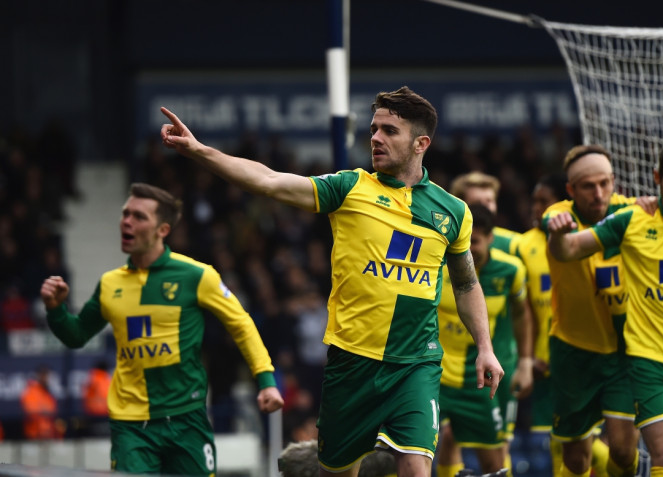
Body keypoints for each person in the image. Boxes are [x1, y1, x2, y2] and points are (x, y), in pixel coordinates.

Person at [160, 85, 504, 477]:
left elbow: (465, 284)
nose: (375, 137)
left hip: (416, 363)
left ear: (420, 143)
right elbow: (269, 180)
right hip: (351, 362)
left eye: (389, 131)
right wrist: (200, 150)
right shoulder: (349, 188)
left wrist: (485, 347)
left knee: (415, 467)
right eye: (374, 129)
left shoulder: (453, 211)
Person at [39, 183, 284, 475]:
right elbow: (77, 335)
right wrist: (55, 310)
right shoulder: (109, 284)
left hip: (187, 419)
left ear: (163, 230)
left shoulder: (196, 276)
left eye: (139, 217)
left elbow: (241, 324)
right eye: (125, 214)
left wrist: (266, 380)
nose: (127, 222)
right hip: (132, 426)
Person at [547, 139, 663, 477]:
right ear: (656, 179)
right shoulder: (630, 219)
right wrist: (558, 236)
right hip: (645, 358)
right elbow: (569, 249)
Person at [540, 145, 641, 477]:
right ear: (571, 190)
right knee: (577, 460)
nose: (598, 194)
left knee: (625, 453)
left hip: (625, 352)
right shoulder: (559, 215)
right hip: (574, 352)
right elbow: (555, 233)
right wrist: (558, 230)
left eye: (604, 183)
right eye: (587, 186)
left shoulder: (634, 213)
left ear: (614, 181)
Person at [516, 173, 609, 477]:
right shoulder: (522, 245)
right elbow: (523, 309)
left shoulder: (589, 240)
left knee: (592, 445)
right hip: (543, 363)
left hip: (585, 357)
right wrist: (526, 359)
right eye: (534, 201)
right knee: (557, 444)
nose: (536, 209)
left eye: (543, 202)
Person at [435, 204, 533, 477]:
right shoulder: (438, 264)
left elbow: (521, 314)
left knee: (494, 462)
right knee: (412, 451)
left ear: (491, 237)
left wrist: (524, 361)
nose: (468, 249)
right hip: (434, 375)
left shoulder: (510, 271)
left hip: (476, 380)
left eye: (475, 242)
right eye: (463, 241)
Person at [20, 365, 64, 440]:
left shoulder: (48, 394)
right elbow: (32, 412)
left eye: (48, 375)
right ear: (39, 376)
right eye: (44, 375)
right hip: (35, 436)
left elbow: (53, 412)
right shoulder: (31, 391)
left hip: (50, 435)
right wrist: (45, 412)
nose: (47, 378)